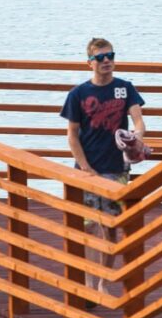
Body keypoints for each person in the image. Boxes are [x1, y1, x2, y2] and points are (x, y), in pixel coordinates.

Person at [60, 38, 146, 295]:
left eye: (110, 56)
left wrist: (136, 137)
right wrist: (85, 167)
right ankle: (88, 282)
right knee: (87, 227)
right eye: (100, 58)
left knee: (110, 227)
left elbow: (139, 121)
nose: (107, 61)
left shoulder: (124, 88)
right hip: (87, 169)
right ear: (90, 63)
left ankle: (103, 283)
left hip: (116, 168)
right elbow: (72, 134)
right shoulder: (78, 94)